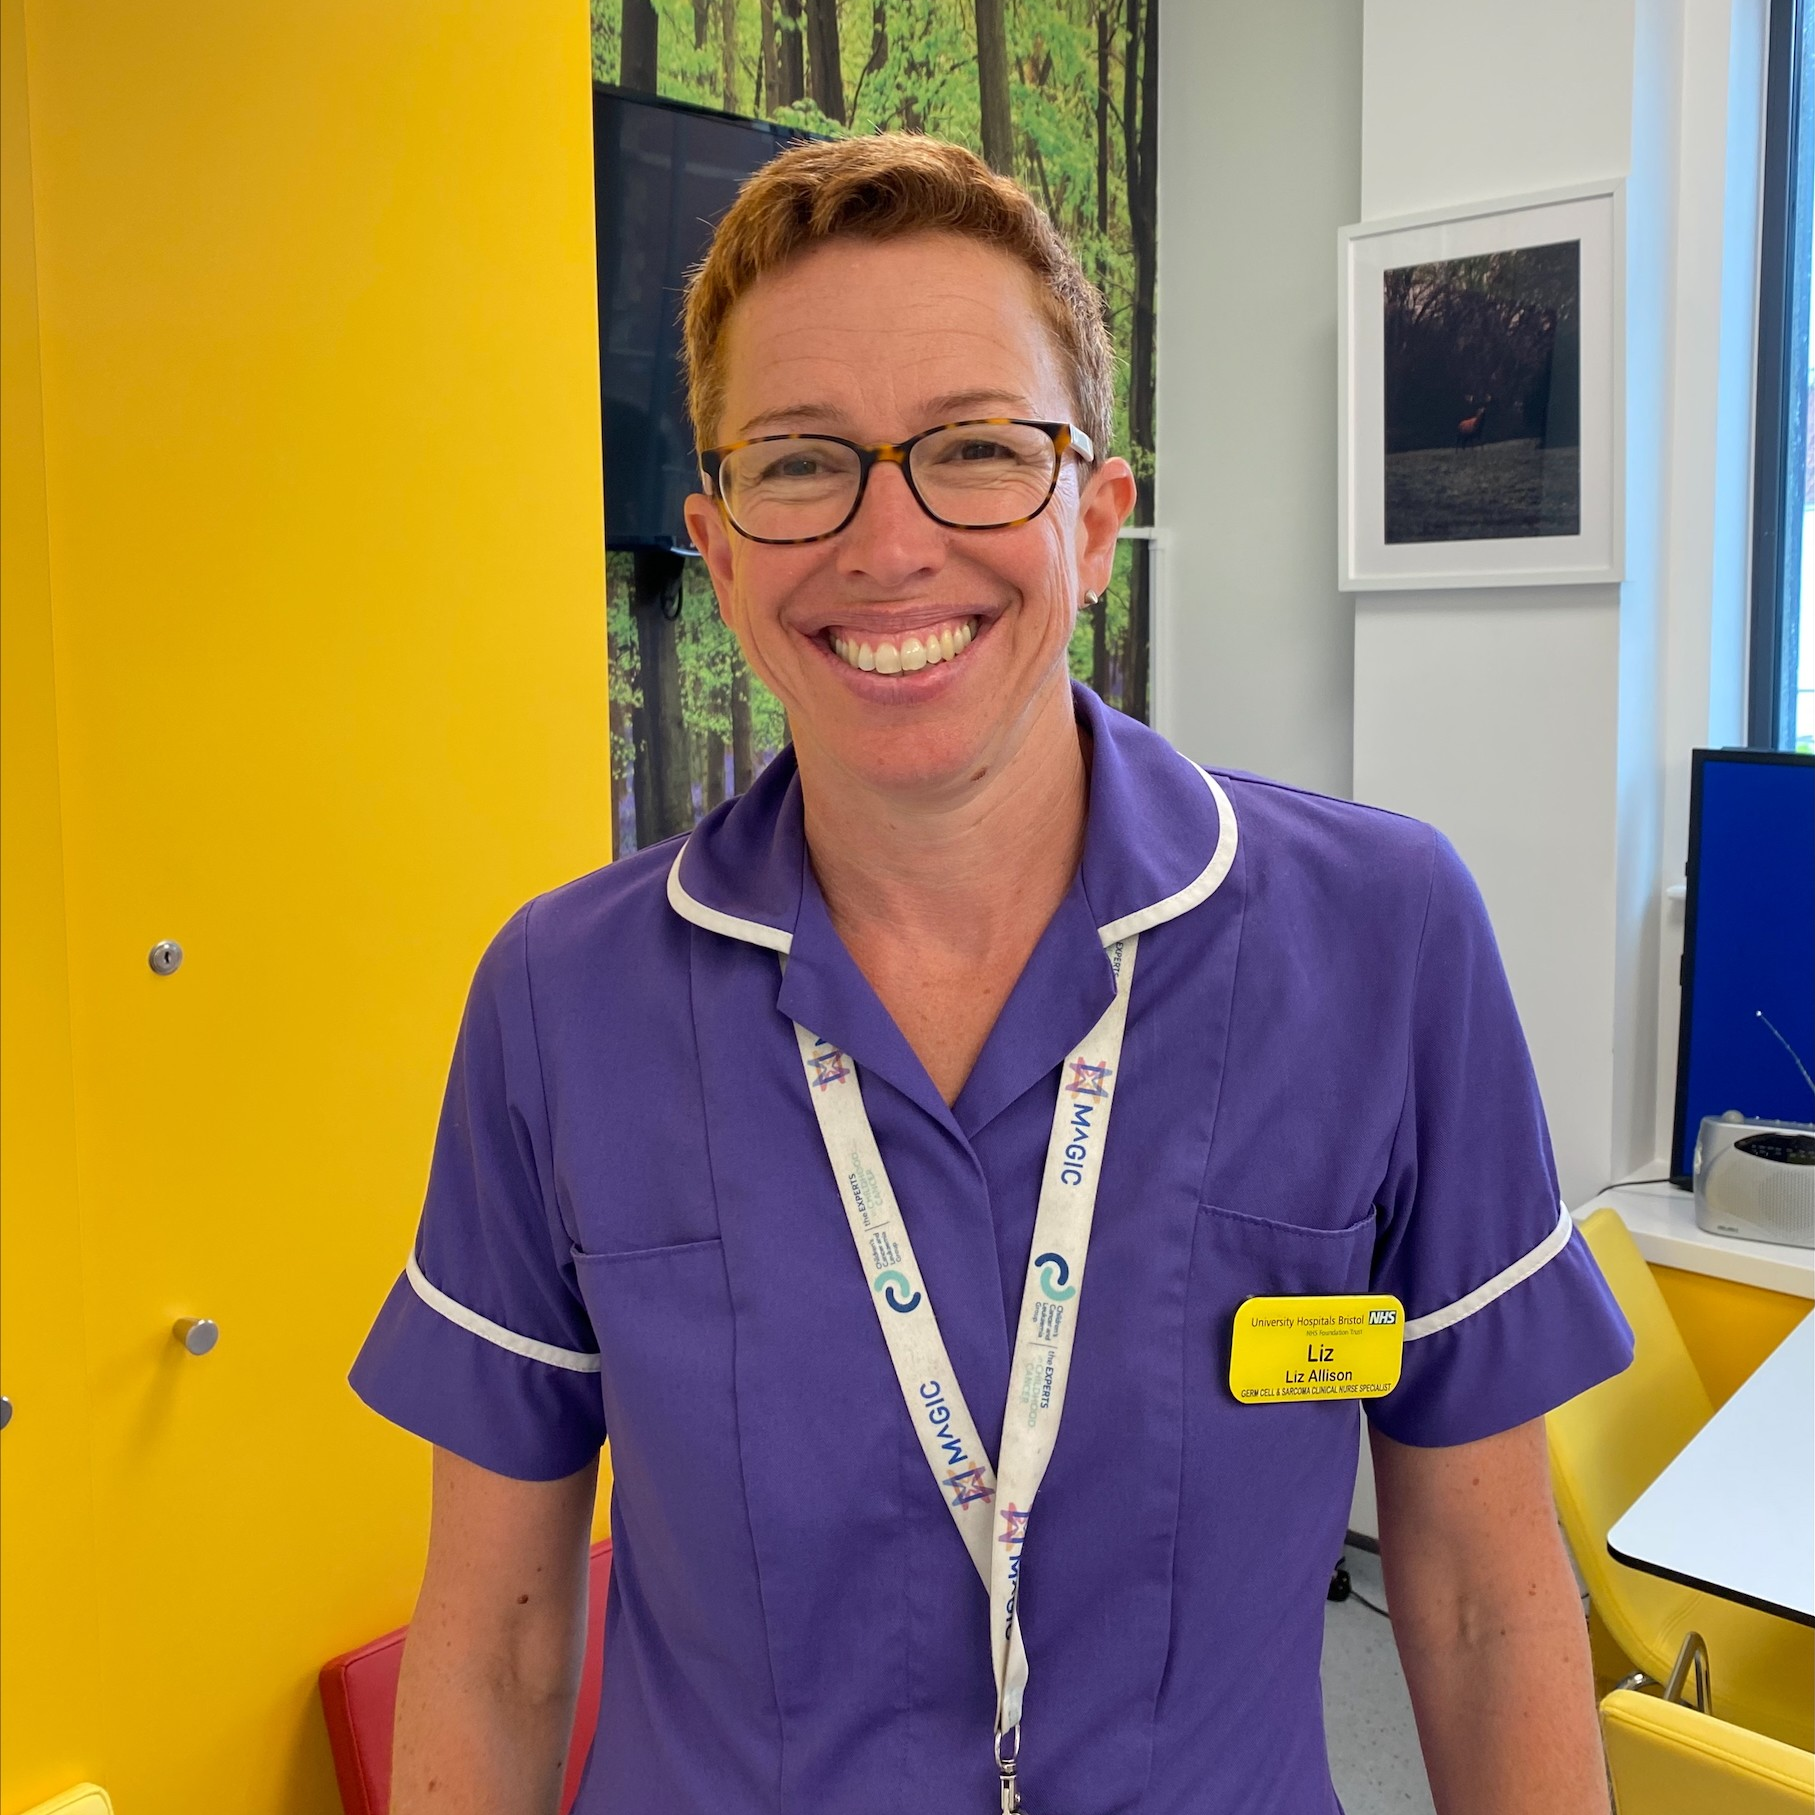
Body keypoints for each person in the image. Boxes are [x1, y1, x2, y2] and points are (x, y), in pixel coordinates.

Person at [351, 133, 1633, 1815]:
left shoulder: (1381, 941)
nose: (889, 543)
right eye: (801, 464)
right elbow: (502, 1636)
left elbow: (1475, 1602)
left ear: (1096, 521)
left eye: (974, 449)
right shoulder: (561, 1001)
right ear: (718, 546)